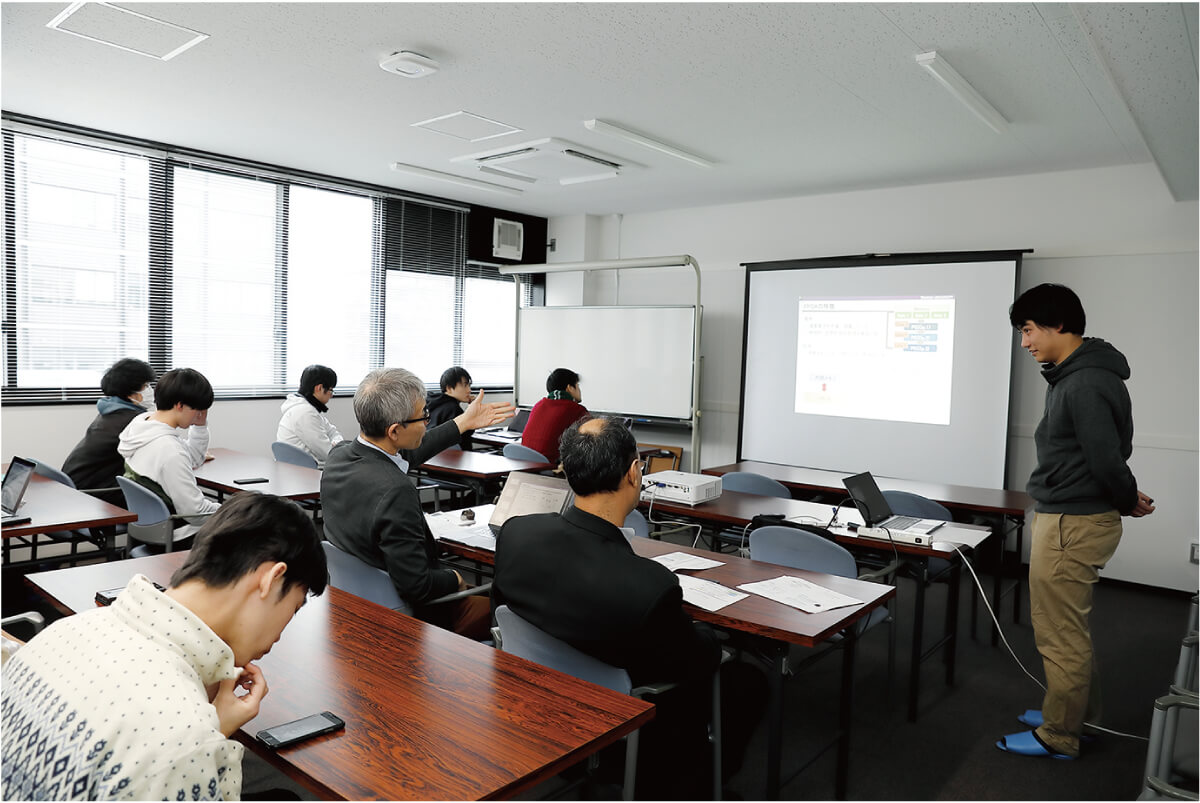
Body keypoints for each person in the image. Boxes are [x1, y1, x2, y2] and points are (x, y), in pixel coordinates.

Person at [1, 492, 328, 801]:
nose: (281, 634)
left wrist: (212, 725)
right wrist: (204, 737)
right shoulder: (183, 740)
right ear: (270, 579)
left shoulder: (60, 633)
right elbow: (169, 749)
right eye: (294, 607)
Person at [494, 416, 733, 798]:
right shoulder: (649, 584)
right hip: (613, 712)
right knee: (746, 680)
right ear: (635, 473)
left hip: (535, 695)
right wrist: (713, 635)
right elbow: (693, 657)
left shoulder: (517, 532)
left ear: (567, 471)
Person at [997, 283, 1155, 760]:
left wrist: (1125, 497)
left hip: (1072, 523)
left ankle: (1060, 734)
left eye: (1027, 330)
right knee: (1067, 629)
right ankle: (1074, 715)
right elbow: (1099, 456)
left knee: (1059, 633)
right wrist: (1124, 494)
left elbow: (1105, 459)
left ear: (1058, 324)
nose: (1025, 342)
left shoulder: (1083, 382)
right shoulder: (1080, 374)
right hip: (1073, 513)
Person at [320, 367, 512, 638]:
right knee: (507, 612)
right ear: (395, 431)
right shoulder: (395, 491)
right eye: (424, 416)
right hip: (411, 617)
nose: (428, 421)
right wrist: (454, 578)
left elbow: (409, 453)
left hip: (359, 602)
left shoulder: (340, 456)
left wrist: (463, 422)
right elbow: (417, 586)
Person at [118, 367, 220, 539]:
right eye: (198, 410)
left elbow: (193, 459)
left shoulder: (141, 426)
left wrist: (200, 426)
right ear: (180, 405)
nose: (200, 414)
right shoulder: (170, 450)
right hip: (179, 534)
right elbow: (195, 513)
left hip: (149, 529)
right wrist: (229, 508)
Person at [62, 358, 157, 505]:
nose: (151, 390)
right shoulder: (131, 420)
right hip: (91, 493)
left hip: (76, 486)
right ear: (130, 394)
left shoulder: (111, 411)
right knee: (164, 496)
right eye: (146, 386)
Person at [277, 364, 344, 467]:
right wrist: (336, 446)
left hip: (298, 472)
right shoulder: (305, 413)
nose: (331, 395)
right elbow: (327, 453)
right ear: (319, 388)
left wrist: (336, 443)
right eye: (331, 390)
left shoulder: (307, 409)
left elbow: (333, 432)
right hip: (304, 473)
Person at [521, 367, 588, 463]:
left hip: (526, 464)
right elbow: (594, 438)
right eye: (577, 385)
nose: (579, 390)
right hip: (551, 467)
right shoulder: (576, 409)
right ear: (569, 388)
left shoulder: (539, 405)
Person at [426, 366, 475, 451]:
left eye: (469, 385)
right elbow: (468, 432)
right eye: (465, 385)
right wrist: (473, 408)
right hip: (455, 458)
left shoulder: (431, 402)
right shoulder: (453, 408)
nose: (469, 390)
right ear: (449, 388)